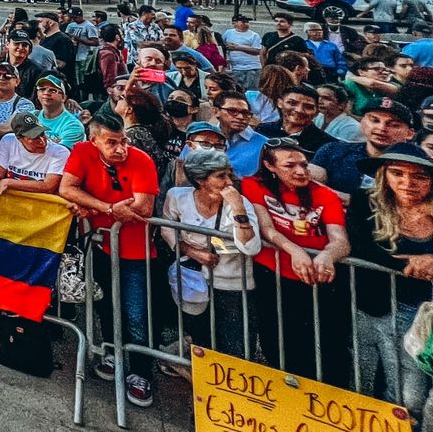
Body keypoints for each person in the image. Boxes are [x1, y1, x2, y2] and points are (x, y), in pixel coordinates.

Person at [60, 110, 161, 407]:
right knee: (104, 304)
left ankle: (141, 371)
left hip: (135, 250)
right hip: (98, 244)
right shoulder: (81, 152)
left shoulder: (141, 159)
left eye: (123, 141)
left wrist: (92, 208)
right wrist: (106, 208)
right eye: (112, 143)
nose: (120, 149)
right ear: (95, 141)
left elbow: (142, 207)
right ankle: (112, 353)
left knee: (136, 313)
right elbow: (67, 188)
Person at [243, 139, 352, 386]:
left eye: (303, 164)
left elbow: (341, 240)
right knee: (278, 340)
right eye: (290, 166)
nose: (301, 171)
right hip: (275, 273)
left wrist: (326, 255)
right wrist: (294, 250)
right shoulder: (254, 185)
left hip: (320, 277)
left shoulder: (324, 194)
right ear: (270, 166)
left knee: (331, 345)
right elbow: (267, 228)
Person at [347, 142, 433, 411]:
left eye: (420, 176)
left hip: (427, 310)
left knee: (415, 395)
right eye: (398, 173)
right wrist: (410, 262)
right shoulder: (365, 202)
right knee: (404, 394)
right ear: (385, 174)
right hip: (384, 307)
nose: (408, 182)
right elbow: (361, 247)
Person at [159, 149, 261, 358]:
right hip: (195, 281)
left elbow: (251, 247)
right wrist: (191, 251)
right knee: (202, 340)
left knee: (236, 347)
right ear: (200, 179)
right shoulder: (178, 197)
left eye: (229, 175)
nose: (229, 182)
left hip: (234, 284)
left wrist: (238, 209)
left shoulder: (240, 204)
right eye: (221, 176)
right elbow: (167, 228)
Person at [312, 97, 418, 204]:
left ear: (410, 133)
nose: (381, 128)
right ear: (362, 123)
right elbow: (312, 185)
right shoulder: (333, 150)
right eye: (374, 120)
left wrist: (353, 201)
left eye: (393, 125)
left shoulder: (416, 166)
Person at [0, 111, 70, 199]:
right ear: (19, 138)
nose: (42, 141)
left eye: (42, 134)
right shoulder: (8, 141)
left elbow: (48, 186)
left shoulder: (60, 152)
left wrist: (8, 182)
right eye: (34, 137)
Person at [254, 83, 329, 155]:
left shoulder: (326, 144)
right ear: (280, 103)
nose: (299, 110)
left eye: (308, 107)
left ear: (317, 111)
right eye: (292, 103)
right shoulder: (262, 130)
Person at [32, 74, 85, 147]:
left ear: (63, 97)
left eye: (53, 90)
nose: (46, 93)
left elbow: (61, 154)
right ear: (37, 94)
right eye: (42, 89)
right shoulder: (31, 116)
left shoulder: (73, 125)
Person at [0, 62, 34, 136]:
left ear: (17, 82)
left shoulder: (25, 105)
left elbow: (8, 129)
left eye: (7, 75)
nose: (1, 78)